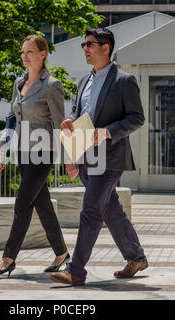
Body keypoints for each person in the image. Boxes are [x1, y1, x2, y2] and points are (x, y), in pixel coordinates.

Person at [50, 27, 147, 286]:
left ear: (106, 47)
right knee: (111, 209)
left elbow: (137, 118)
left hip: (111, 157)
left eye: (90, 44)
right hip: (85, 156)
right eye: (84, 44)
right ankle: (136, 257)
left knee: (91, 209)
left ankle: (76, 270)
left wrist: (107, 132)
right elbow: (78, 110)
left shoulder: (124, 81)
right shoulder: (83, 80)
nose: (85, 48)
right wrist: (70, 120)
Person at [0, 35, 70, 277]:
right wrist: (2, 148)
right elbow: (11, 118)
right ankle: (62, 252)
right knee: (41, 203)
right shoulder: (18, 82)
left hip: (44, 152)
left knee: (23, 201)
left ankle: (8, 258)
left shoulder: (52, 85)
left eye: (30, 51)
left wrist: (68, 158)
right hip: (22, 151)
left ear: (43, 54)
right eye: (23, 52)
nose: (24, 56)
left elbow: (58, 123)